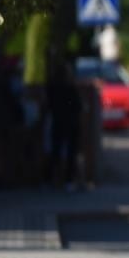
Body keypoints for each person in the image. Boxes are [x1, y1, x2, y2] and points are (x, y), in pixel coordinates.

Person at [45, 61, 81, 190]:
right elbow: (78, 106)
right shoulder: (70, 88)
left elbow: (49, 105)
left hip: (58, 122)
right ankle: (68, 180)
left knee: (56, 151)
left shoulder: (53, 88)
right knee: (70, 152)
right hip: (70, 123)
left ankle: (51, 179)